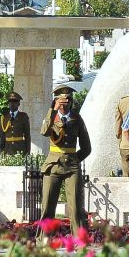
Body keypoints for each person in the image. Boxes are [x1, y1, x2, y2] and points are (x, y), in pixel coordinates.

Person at [39, 85, 91, 230]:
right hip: (53, 165)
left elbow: (87, 148)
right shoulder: (51, 116)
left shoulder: (76, 118)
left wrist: (74, 159)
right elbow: (44, 132)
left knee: (76, 207)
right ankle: (44, 240)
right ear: (56, 101)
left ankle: (80, 242)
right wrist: (53, 110)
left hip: (71, 167)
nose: (65, 103)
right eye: (61, 100)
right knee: (48, 207)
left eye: (68, 100)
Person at [0, 90, 30, 156]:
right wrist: (1, 151)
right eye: (10, 102)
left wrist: (27, 152)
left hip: (20, 150)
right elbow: (1, 136)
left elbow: (27, 135)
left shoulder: (23, 116)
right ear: (8, 103)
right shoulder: (4, 117)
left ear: (18, 104)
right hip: (7, 150)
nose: (12, 104)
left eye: (15, 101)